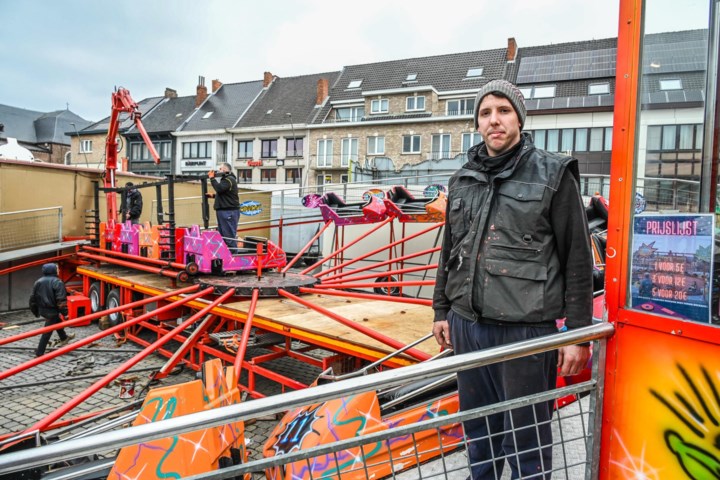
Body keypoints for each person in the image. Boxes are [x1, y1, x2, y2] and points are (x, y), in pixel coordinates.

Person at [431, 79, 593, 480]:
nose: (494, 121)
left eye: (503, 111)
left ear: (519, 117)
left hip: (525, 332)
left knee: (526, 439)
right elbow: (450, 250)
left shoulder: (553, 174)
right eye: (485, 113)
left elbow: (577, 257)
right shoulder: (462, 179)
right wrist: (441, 310)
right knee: (479, 430)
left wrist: (578, 334)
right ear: (478, 123)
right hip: (467, 326)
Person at [29, 263, 75, 357]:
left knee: (57, 321)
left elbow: (32, 298)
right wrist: (65, 314)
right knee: (47, 332)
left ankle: (64, 337)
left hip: (43, 310)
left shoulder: (38, 281)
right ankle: (39, 353)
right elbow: (61, 300)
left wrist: (36, 311)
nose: (59, 270)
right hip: (52, 311)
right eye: (57, 268)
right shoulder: (57, 282)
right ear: (53, 270)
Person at [207, 162, 240, 251]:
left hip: (228, 212)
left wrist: (212, 178)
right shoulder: (227, 180)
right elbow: (225, 194)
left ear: (225, 170)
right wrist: (214, 196)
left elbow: (219, 188)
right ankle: (228, 256)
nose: (218, 171)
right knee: (224, 235)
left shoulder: (228, 180)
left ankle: (233, 256)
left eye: (220, 169)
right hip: (225, 211)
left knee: (228, 236)